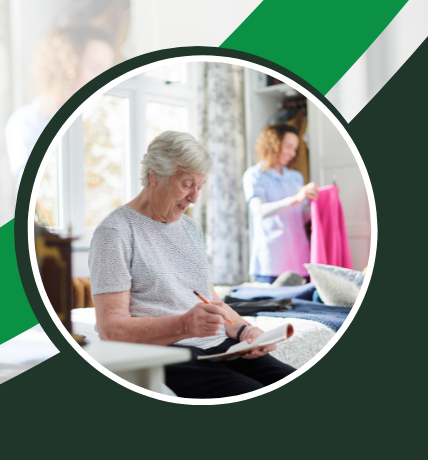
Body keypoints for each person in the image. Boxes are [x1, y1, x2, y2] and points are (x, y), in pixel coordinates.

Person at [88, 131, 295, 399]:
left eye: (200, 186)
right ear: (155, 176)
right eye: (187, 185)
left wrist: (244, 330)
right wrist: (184, 325)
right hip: (164, 351)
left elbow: (211, 300)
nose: (194, 198)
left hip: (220, 346)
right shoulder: (114, 232)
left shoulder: (190, 228)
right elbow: (111, 329)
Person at [6, 23, 115, 183]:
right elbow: (34, 188)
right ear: (67, 67)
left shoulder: (110, 120)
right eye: (95, 68)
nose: (106, 81)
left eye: (109, 72)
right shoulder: (26, 122)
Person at [243, 124, 319, 283]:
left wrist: (320, 203)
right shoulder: (254, 175)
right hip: (271, 260)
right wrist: (297, 198)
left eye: (295, 149)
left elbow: (298, 217)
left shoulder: (296, 177)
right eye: (289, 147)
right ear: (273, 145)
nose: (292, 153)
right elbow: (260, 211)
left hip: (298, 257)